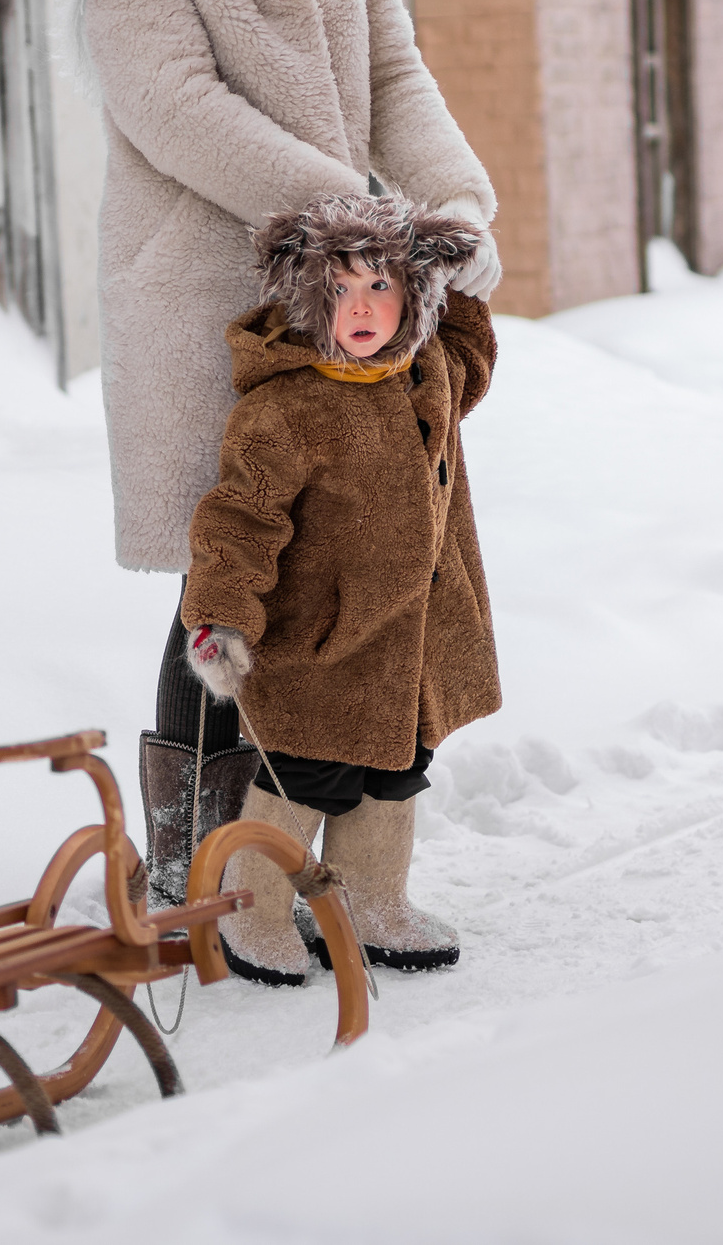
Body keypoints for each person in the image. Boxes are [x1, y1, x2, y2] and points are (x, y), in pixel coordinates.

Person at [73, 0, 500, 900]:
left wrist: (455, 205)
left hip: (351, 305)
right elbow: (174, 108)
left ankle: (304, 864)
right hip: (212, 301)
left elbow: (392, 78)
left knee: (338, 564)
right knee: (230, 565)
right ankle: (186, 865)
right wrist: (357, 218)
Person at [179, 192, 500, 981]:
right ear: (310, 295)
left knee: (396, 771)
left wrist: (466, 273)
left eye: (381, 286)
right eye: (341, 288)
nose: (361, 307)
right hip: (319, 647)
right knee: (307, 774)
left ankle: (369, 901)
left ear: (412, 296)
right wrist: (219, 618)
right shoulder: (287, 405)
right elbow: (241, 518)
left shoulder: (427, 373)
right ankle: (250, 910)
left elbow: (472, 349)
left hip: (413, 644)